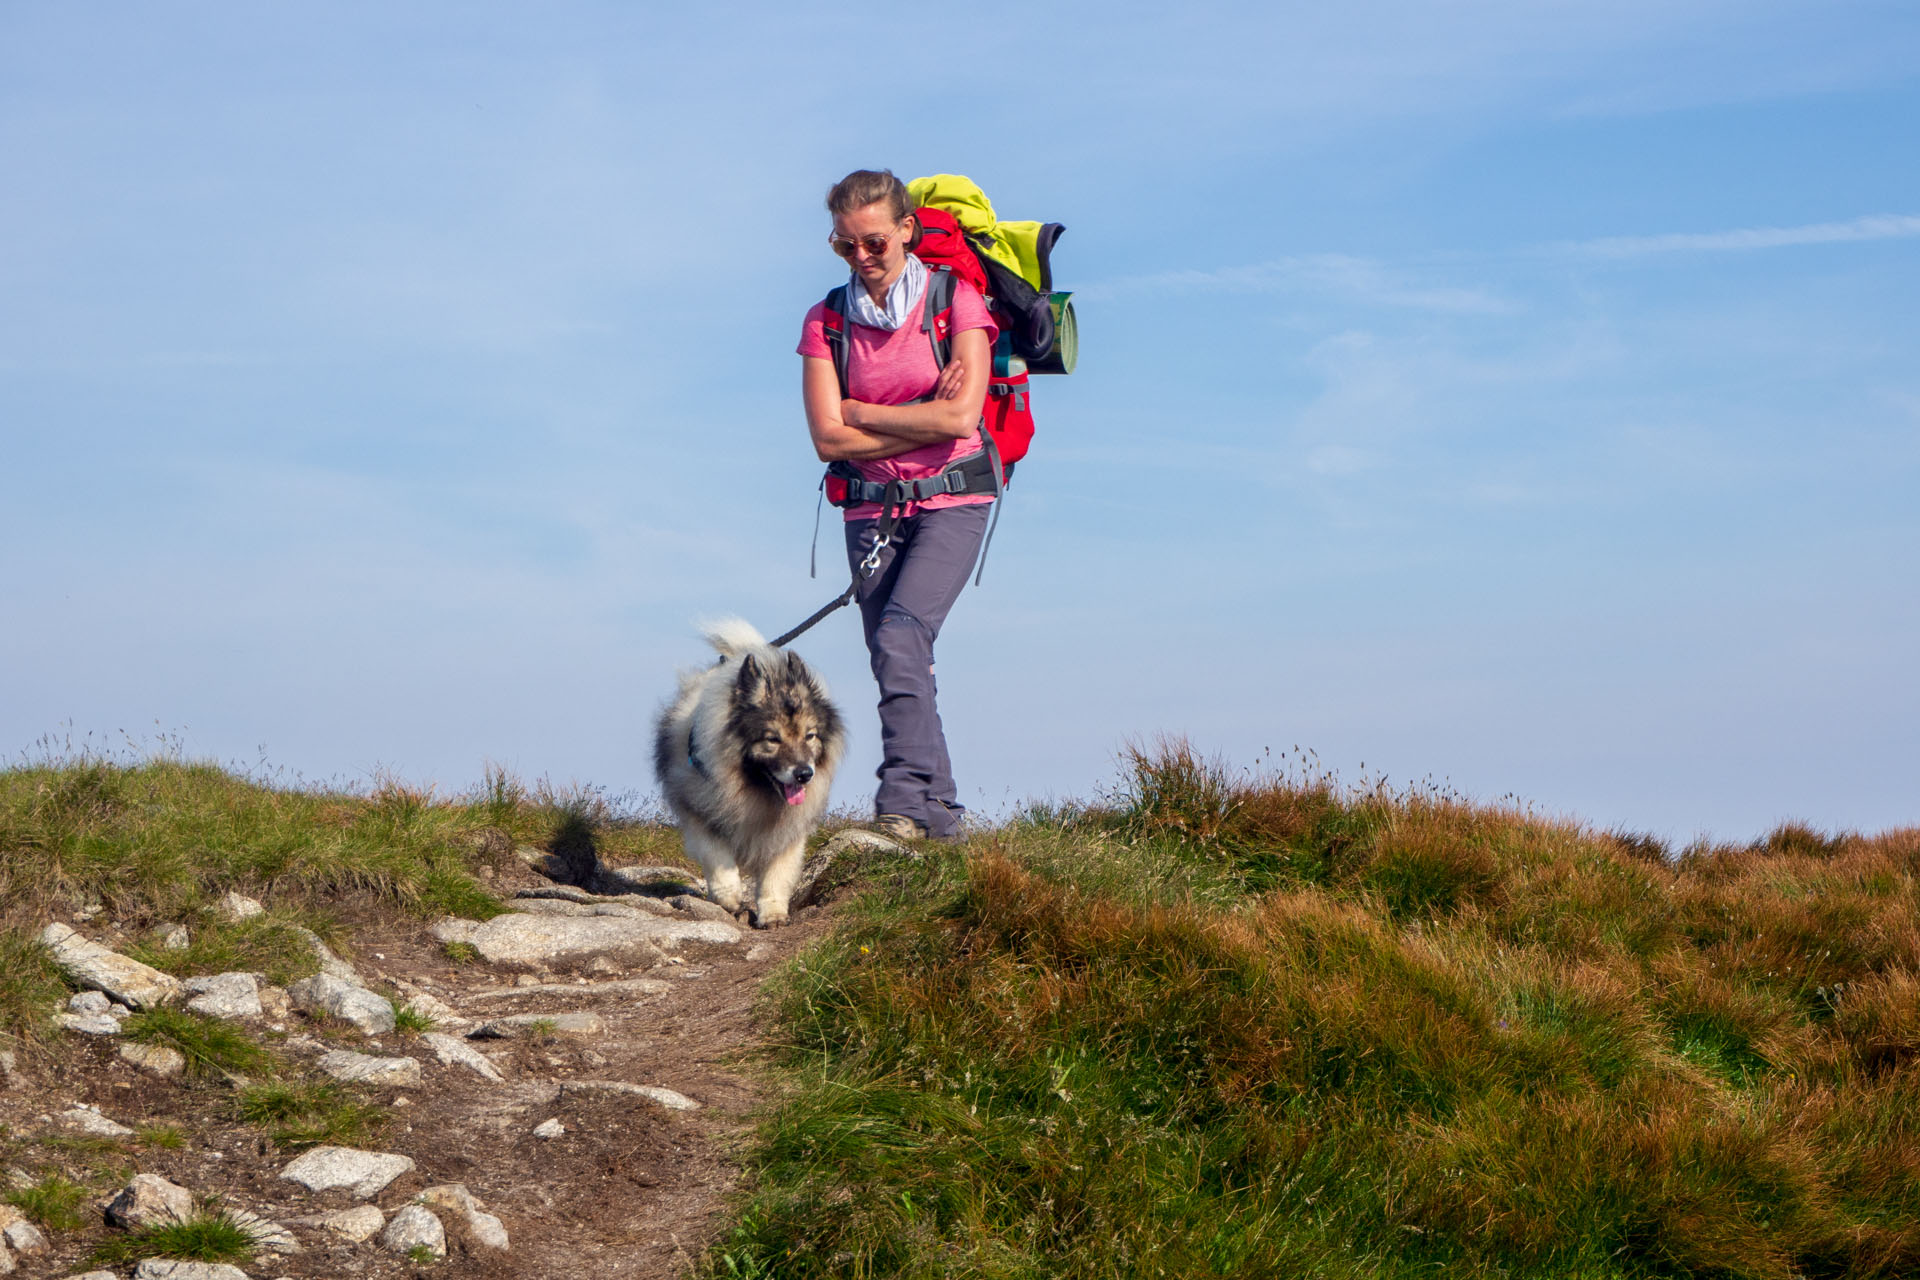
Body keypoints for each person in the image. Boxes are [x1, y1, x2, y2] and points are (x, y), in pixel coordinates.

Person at [797, 169, 999, 842]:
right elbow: (828, 437)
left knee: (900, 636)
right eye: (845, 246)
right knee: (900, 655)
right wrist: (920, 412)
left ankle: (903, 806)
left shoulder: (956, 299)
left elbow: (962, 418)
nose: (862, 258)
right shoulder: (826, 321)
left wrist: (863, 412)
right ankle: (944, 823)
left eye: (875, 243)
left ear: (907, 231)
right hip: (868, 509)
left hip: (954, 496)